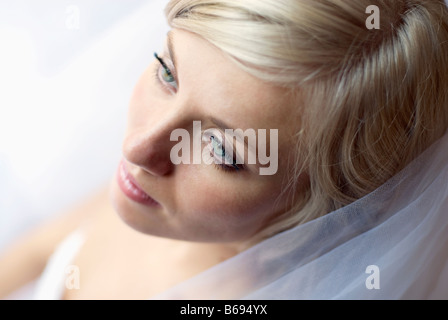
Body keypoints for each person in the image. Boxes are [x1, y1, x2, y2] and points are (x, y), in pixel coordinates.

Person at [1, 0, 448, 300]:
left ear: (324, 208)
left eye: (221, 151)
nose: (139, 149)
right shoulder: (149, 191)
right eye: (167, 72)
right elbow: (38, 249)